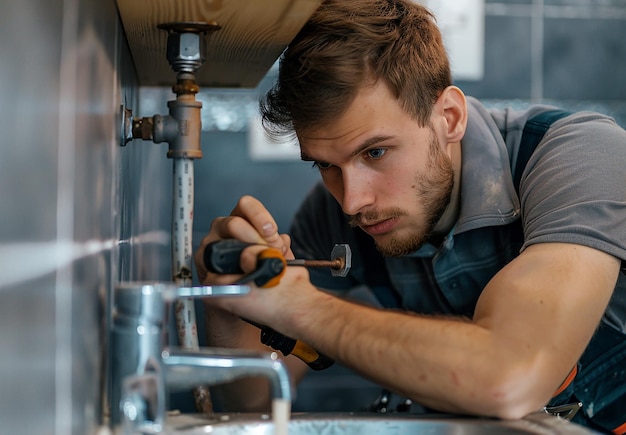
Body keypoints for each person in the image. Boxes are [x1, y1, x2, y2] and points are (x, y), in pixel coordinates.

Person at [193, 0, 626, 431]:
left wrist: (301, 307)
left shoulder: (580, 157)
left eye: (375, 152)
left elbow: (511, 377)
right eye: (325, 164)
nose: (351, 202)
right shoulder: (330, 214)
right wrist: (228, 303)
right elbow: (255, 405)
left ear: (449, 118)